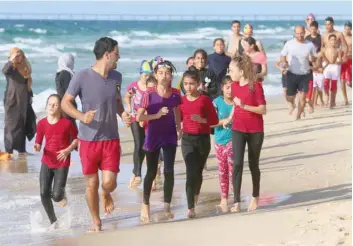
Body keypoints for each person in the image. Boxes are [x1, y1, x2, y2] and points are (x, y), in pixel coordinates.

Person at [61, 37, 131, 232]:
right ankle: (96, 221)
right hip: (88, 140)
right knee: (91, 182)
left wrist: (123, 113)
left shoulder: (117, 76)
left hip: (111, 138)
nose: (119, 56)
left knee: (109, 182)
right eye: (117, 53)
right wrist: (81, 117)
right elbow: (65, 103)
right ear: (107, 55)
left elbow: (117, 101)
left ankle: (106, 193)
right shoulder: (81, 76)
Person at [136, 60, 182, 223]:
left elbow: (177, 110)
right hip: (153, 135)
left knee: (169, 170)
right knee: (151, 172)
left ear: (171, 76)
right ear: (155, 75)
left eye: (167, 73)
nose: (164, 75)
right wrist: (156, 116)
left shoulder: (176, 93)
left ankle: (167, 205)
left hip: (169, 135)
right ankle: (145, 204)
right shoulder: (148, 94)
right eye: (161, 73)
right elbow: (139, 116)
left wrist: (178, 127)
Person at [223, 54, 266, 213]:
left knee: (253, 164)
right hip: (238, 129)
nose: (229, 72)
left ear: (241, 71)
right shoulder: (233, 86)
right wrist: (230, 116)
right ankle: (236, 201)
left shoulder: (255, 86)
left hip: (255, 130)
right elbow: (235, 104)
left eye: (232, 69)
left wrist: (244, 106)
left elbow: (263, 110)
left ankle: (255, 197)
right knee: (237, 163)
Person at [34, 94, 78, 227]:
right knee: (43, 193)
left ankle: (61, 196)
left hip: (62, 162)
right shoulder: (41, 123)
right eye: (50, 104)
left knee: (57, 196)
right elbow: (38, 141)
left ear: (60, 108)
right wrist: (37, 146)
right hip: (47, 161)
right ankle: (53, 221)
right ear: (46, 106)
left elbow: (77, 139)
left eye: (55, 104)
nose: (52, 106)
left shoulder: (67, 123)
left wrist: (68, 150)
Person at [179, 70, 218, 218]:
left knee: (198, 172)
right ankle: (190, 207)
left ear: (198, 84)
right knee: (190, 172)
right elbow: (177, 118)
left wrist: (202, 120)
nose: (188, 87)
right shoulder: (181, 101)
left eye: (192, 84)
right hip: (187, 139)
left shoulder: (205, 100)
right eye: (186, 84)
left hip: (203, 139)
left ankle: (195, 195)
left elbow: (214, 121)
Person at [124, 60, 153, 188]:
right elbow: (127, 96)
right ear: (140, 73)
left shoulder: (152, 87)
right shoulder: (134, 86)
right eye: (145, 74)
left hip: (149, 118)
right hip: (136, 118)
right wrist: (128, 107)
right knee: (138, 143)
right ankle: (137, 173)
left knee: (147, 146)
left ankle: (149, 173)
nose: (147, 76)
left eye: (149, 74)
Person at [280, 25, 317, 120]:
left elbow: (315, 58)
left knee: (302, 98)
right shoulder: (289, 44)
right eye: (297, 33)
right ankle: (292, 104)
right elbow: (282, 55)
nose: (300, 35)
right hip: (291, 74)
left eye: (301, 33)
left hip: (305, 75)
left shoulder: (310, 45)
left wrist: (312, 58)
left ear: (304, 33)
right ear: (294, 33)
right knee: (290, 97)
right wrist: (284, 63)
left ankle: (298, 116)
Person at [2, 47, 33, 157]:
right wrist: (12, 59)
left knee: (22, 125)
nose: (18, 57)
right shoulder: (11, 69)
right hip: (12, 101)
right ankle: (8, 151)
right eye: (16, 55)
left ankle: (21, 150)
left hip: (23, 101)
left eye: (20, 55)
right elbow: (4, 70)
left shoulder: (24, 67)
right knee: (10, 126)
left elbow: (27, 85)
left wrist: (30, 97)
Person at [211, 75, 234, 213]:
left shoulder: (238, 103)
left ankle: (235, 197)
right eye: (227, 87)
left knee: (233, 168)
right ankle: (224, 199)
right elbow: (211, 122)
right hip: (219, 141)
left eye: (232, 87)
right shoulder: (216, 102)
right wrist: (224, 121)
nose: (230, 90)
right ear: (222, 88)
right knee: (222, 170)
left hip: (234, 139)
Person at [321, 34, 343, 108]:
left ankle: (332, 101)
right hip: (327, 66)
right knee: (326, 83)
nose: (333, 41)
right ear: (329, 41)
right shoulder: (324, 49)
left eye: (334, 40)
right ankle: (326, 95)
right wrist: (324, 63)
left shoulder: (338, 49)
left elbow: (340, 58)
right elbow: (322, 56)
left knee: (334, 85)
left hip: (335, 67)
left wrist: (339, 61)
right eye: (332, 40)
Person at [55, 53, 77, 127]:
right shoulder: (66, 73)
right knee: (72, 131)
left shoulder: (59, 72)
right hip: (67, 106)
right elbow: (69, 92)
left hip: (62, 105)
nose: (73, 63)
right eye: (72, 61)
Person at [305, 21, 322, 108]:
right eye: (311, 29)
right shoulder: (307, 38)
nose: (313, 30)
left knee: (317, 82)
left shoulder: (320, 38)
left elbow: (323, 49)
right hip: (308, 61)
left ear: (317, 29)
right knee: (310, 81)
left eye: (314, 29)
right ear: (310, 29)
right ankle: (310, 100)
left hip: (318, 61)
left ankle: (314, 101)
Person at [341, 21, 352, 105]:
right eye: (346, 28)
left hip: (351, 60)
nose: (347, 30)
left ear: (351, 29)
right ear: (344, 28)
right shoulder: (341, 38)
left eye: (349, 28)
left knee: (350, 82)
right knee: (342, 80)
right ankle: (345, 99)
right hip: (344, 60)